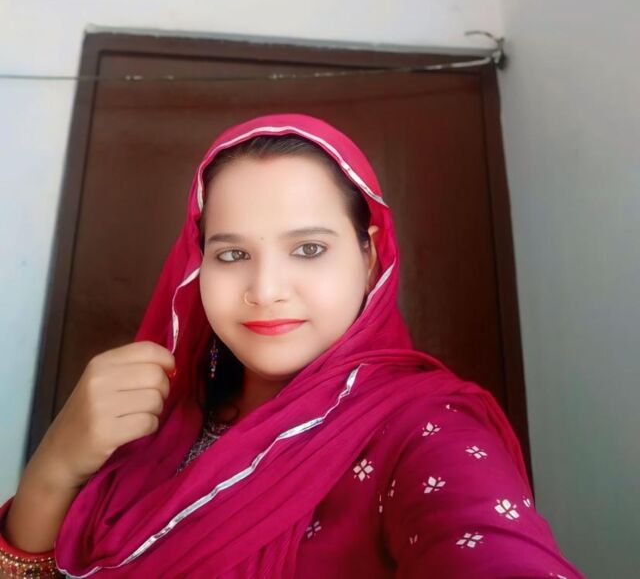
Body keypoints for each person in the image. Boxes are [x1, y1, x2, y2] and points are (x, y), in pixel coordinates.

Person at [0, 113, 585, 578]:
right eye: (232, 254)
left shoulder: (424, 430)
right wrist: (53, 468)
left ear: (369, 256)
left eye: (308, 249)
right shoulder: (159, 414)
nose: (265, 290)